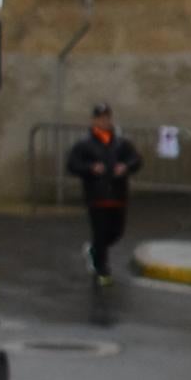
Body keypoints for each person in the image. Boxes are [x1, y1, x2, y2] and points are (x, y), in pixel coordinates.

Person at [64, 103, 146, 284]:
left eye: (107, 117)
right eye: (101, 118)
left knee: (117, 232)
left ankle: (94, 250)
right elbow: (72, 164)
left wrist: (125, 167)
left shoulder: (121, 143)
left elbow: (136, 159)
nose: (104, 121)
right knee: (100, 233)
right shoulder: (84, 144)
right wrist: (90, 168)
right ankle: (102, 270)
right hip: (97, 196)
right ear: (94, 120)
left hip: (118, 196)